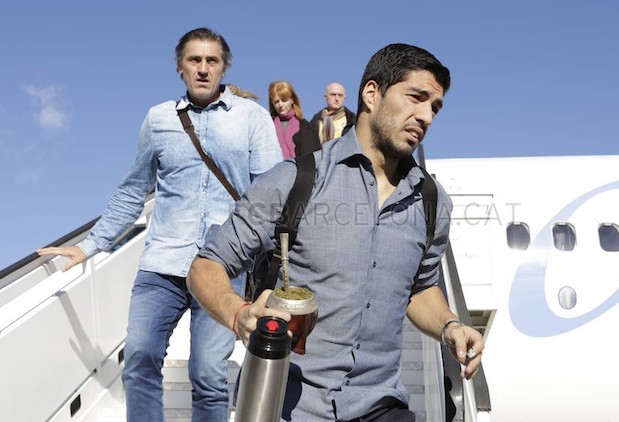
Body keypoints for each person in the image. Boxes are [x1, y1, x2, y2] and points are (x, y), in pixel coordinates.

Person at [187, 43, 484, 421]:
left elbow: (420, 289)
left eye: (435, 107)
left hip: (381, 406)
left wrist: (449, 326)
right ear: (372, 94)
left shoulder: (432, 203)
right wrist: (239, 314)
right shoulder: (295, 181)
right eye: (416, 97)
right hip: (289, 405)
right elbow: (206, 265)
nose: (426, 116)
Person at [37, 27, 282, 422]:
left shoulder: (251, 117)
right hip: (162, 264)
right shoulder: (158, 119)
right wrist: (90, 245)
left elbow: (270, 192)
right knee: (139, 360)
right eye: (194, 60)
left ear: (224, 68)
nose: (203, 68)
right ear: (179, 67)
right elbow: (133, 190)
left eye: (212, 61)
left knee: (208, 376)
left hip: (223, 268)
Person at [268, 80, 320, 159]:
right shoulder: (267, 126)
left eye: (284, 100)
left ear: (292, 100)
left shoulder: (306, 127)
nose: (280, 105)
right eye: (276, 101)